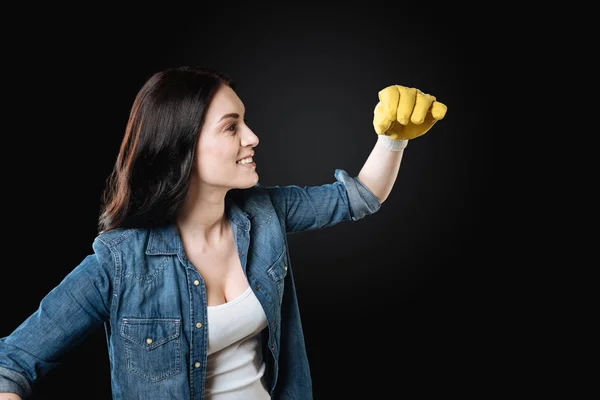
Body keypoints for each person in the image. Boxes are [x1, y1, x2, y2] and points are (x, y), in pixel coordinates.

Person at [0, 66, 447, 400]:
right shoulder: (119, 263)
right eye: (232, 127)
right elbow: (11, 364)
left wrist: (394, 140)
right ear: (182, 148)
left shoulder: (266, 212)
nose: (252, 137)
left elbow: (359, 198)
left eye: (245, 122)